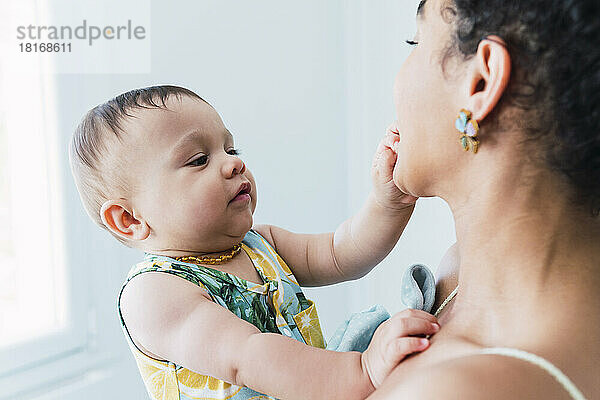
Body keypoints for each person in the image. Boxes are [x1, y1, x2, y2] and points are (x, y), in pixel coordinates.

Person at [68, 85, 441, 400]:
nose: (233, 165)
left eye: (231, 150)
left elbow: (344, 253)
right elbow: (248, 354)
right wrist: (363, 369)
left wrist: (386, 201)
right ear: (130, 219)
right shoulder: (154, 294)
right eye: (199, 159)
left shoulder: (260, 245)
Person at [367, 0, 599, 399]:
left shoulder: (453, 392)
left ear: (481, 82)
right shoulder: (455, 275)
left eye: (416, 41)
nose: (396, 79)